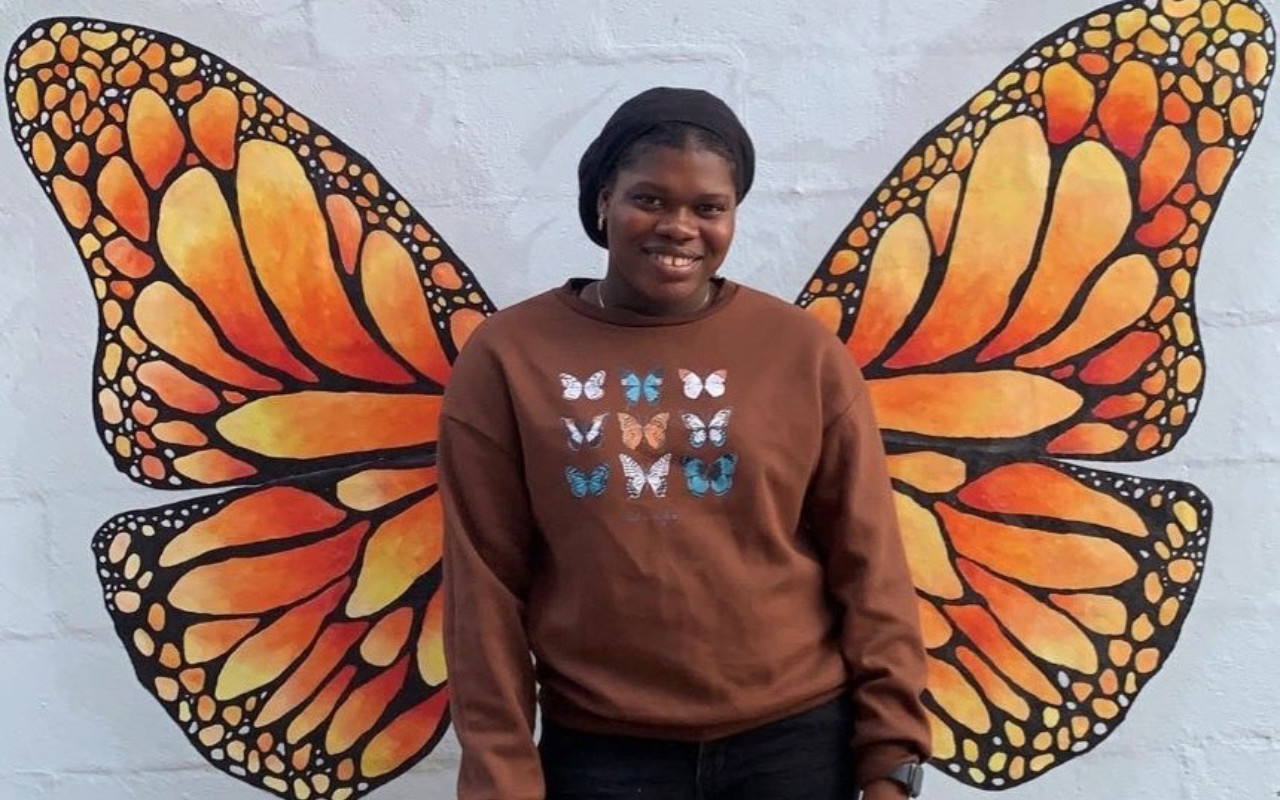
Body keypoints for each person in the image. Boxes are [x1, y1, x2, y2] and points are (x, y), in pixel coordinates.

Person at [439, 86, 931, 800]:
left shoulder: (799, 352)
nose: (679, 227)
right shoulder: (509, 358)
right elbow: (483, 588)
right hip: (604, 757)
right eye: (651, 199)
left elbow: (870, 562)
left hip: (794, 748)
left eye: (709, 208)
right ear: (604, 200)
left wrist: (892, 757)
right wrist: (500, 775)